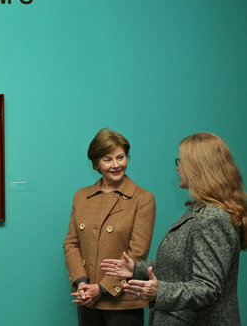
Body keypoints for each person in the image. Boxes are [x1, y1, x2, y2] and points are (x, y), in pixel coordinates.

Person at [101, 132, 246, 325]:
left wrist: (159, 291)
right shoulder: (200, 211)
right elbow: (179, 266)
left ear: (197, 167)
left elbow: (208, 287)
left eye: (181, 161)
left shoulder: (213, 218)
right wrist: (136, 268)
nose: (178, 167)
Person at [63, 128, 156, 325]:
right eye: (108, 159)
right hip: (87, 299)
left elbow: (137, 254)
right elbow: (71, 244)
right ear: (96, 164)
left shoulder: (143, 199)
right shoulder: (82, 196)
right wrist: (82, 284)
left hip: (123, 301)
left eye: (121, 157)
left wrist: (102, 288)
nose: (116, 165)